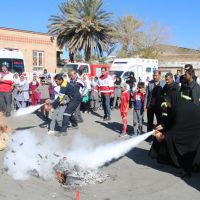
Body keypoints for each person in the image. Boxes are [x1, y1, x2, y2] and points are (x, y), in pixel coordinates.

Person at [150, 91, 200, 176]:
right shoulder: (176, 105)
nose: (167, 103)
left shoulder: (180, 110)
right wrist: (163, 126)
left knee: (186, 147)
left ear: (173, 100)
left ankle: (187, 167)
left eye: (168, 101)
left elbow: (176, 130)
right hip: (189, 126)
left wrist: (164, 136)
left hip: (195, 129)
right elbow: (172, 121)